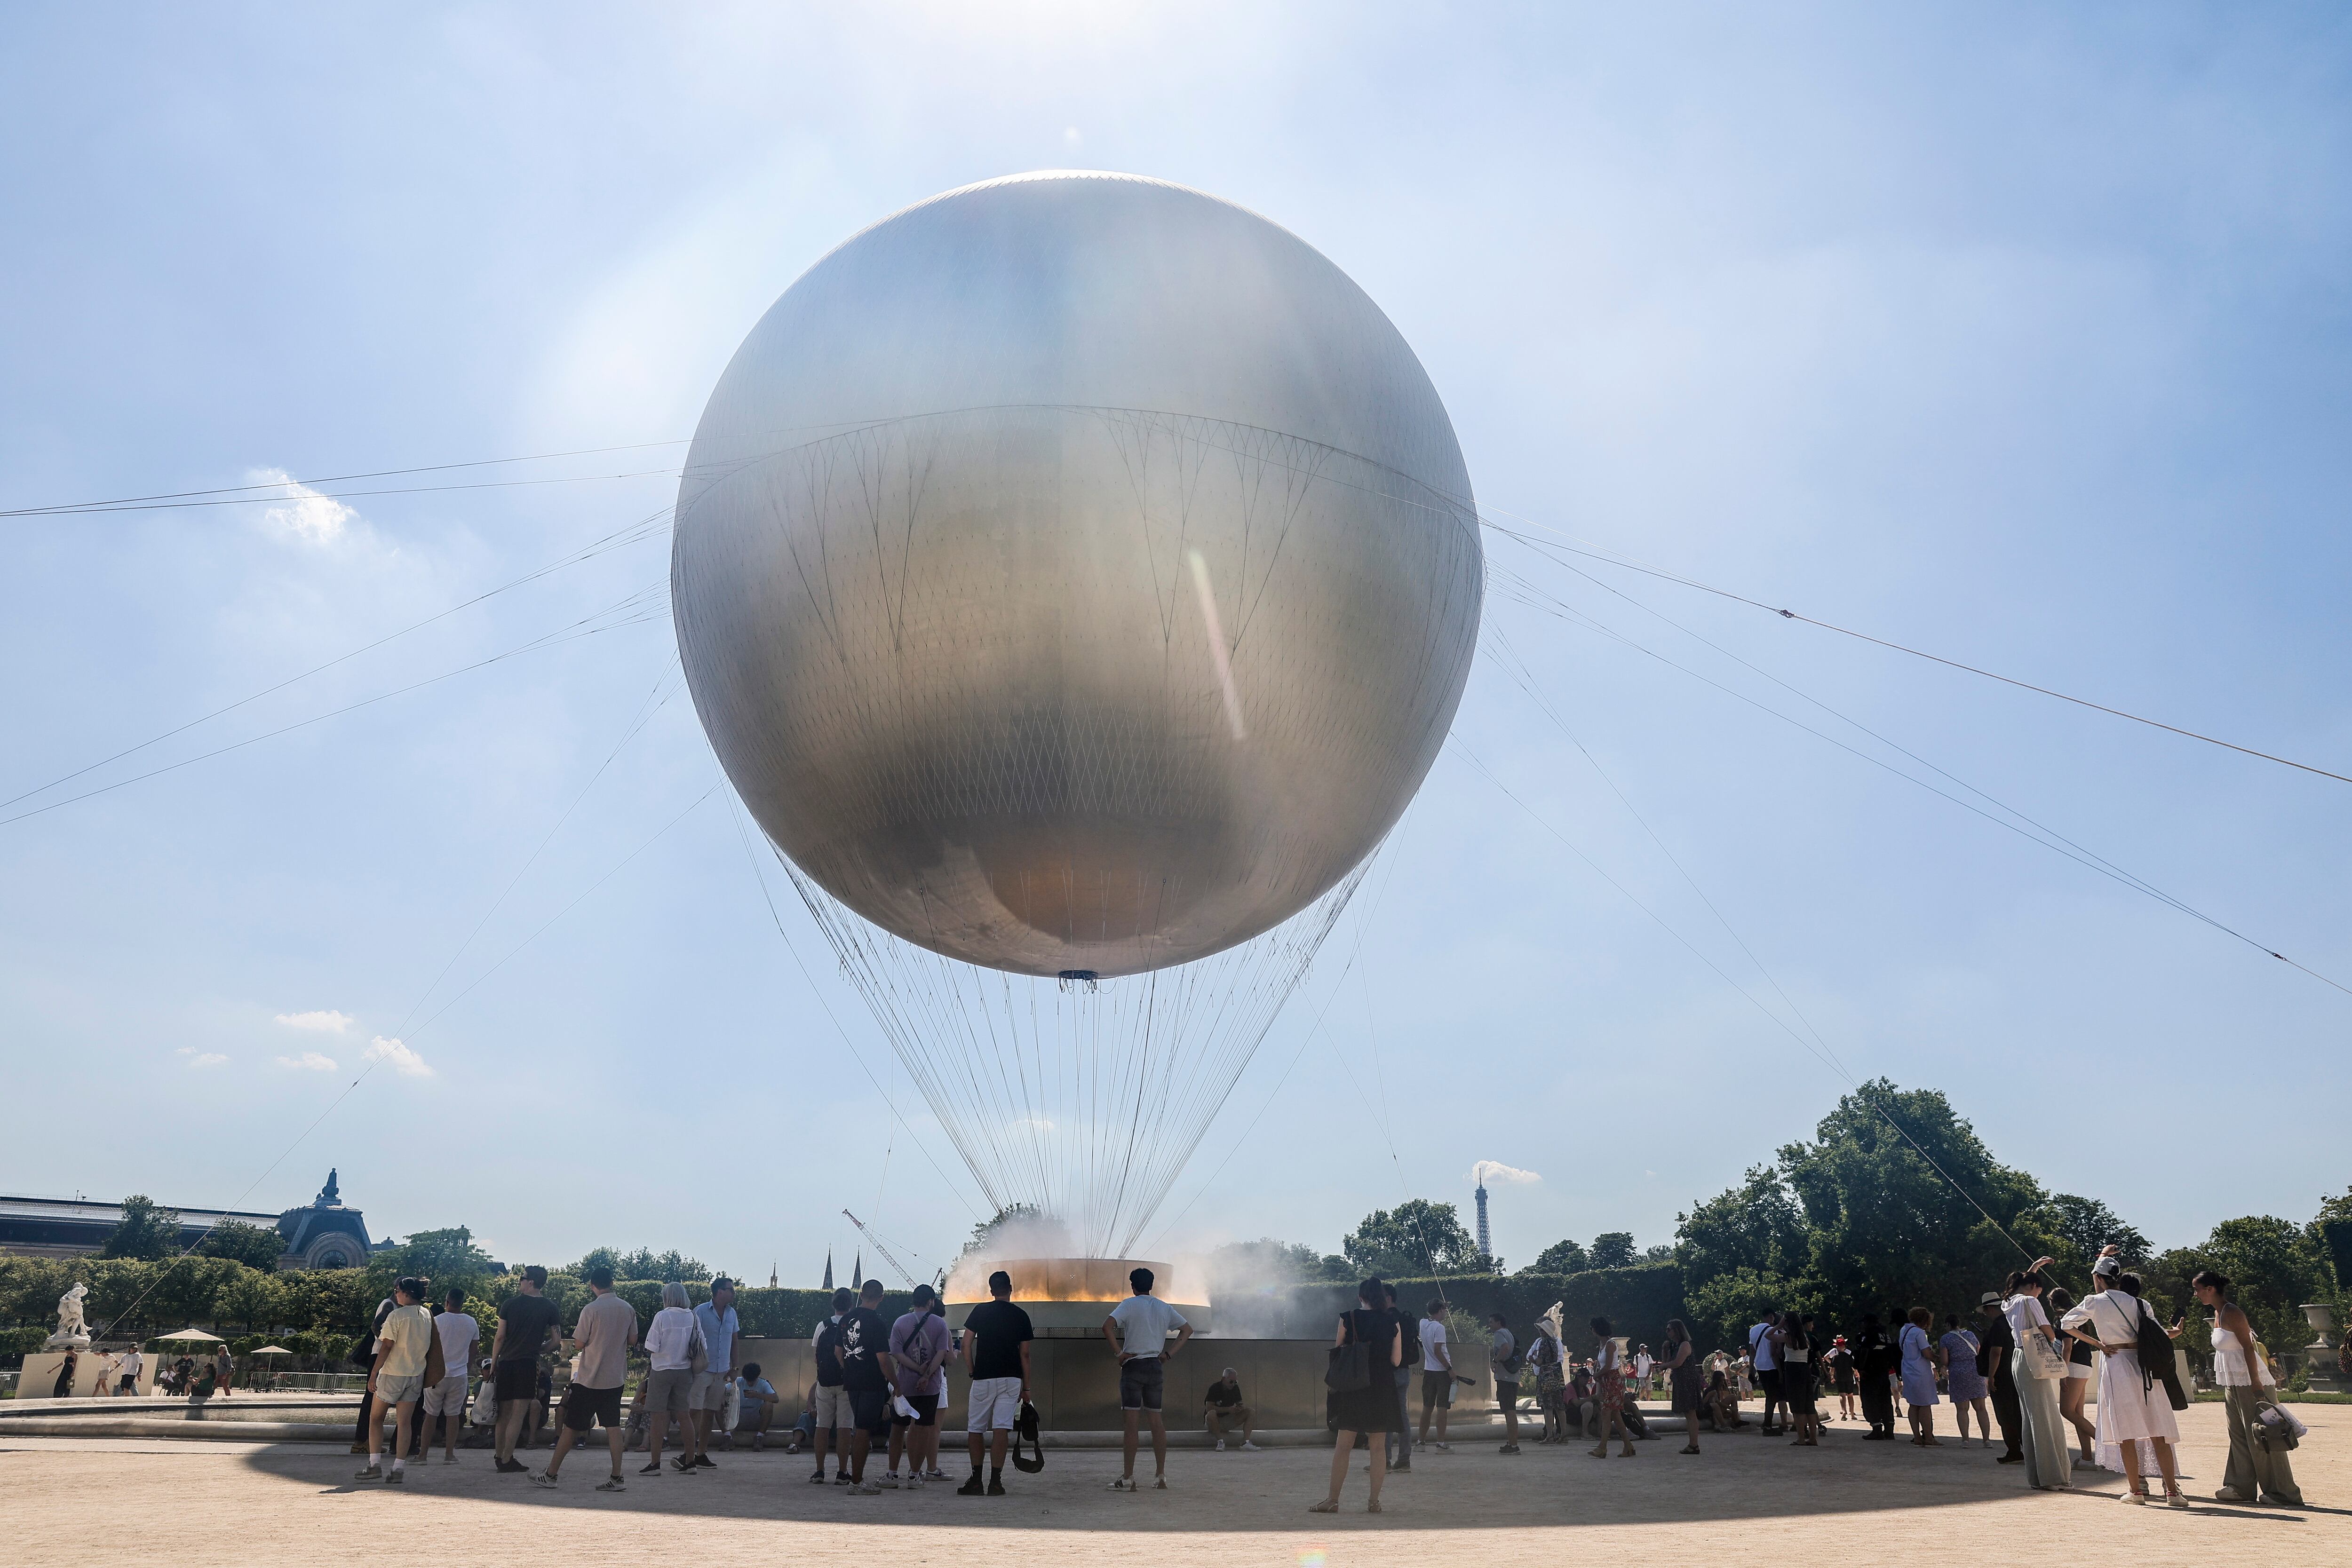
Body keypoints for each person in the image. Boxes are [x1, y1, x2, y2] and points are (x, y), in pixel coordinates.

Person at [2062, 1271, 2184, 1505]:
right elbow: (2158, 1333)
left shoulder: (2094, 1301)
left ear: (2098, 1278)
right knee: (2158, 1429)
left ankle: (2136, 1491)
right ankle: (2173, 1492)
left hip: (2116, 1361)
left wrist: (2098, 1344)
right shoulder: (2140, 1303)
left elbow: (2067, 1324)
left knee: (2125, 1432)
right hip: (2144, 1364)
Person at [2193, 1268, 2302, 1506]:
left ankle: (2283, 1493)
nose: (2196, 1294)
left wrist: (2256, 1385)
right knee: (2240, 1435)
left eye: (2197, 1289)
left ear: (2210, 1290)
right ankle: (2240, 1486)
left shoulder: (2233, 1312)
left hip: (2252, 1383)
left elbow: (2248, 1349)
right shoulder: (2218, 1312)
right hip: (2232, 1383)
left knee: (2266, 1434)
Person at [532, 1265, 637, 1491]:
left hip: (590, 1378)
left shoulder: (591, 1310)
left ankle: (551, 1474)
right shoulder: (627, 1309)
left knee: (570, 1428)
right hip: (615, 1378)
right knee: (612, 1428)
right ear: (612, 1282)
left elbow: (578, 1343)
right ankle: (617, 1477)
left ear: (592, 1286)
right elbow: (632, 1340)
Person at [1311, 1276, 1402, 1514]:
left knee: (1344, 1445)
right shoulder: (1393, 1322)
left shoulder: (1348, 1317)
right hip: (1382, 1386)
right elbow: (1396, 1360)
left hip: (1354, 1387)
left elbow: (1338, 1348)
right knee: (1378, 1448)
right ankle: (1374, 1502)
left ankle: (1333, 1500)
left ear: (1361, 1297)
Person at [1103, 1265, 1193, 1491]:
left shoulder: (1129, 1305)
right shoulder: (1163, 1307)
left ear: (1133, 1286)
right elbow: (1187, 1330)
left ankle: (1128, 1478)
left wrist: (1119, 1353)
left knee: (1131, 1424)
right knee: (1156, 1421)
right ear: (1151, 1286)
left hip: (1133, 1365)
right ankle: (1161, 1475)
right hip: (1155, 1364)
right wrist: (1168, 1355)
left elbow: (1107, 1326)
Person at [958, 1267, 1033, 1496]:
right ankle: (996, 1482)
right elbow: (1025, 1355)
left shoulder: (980, 1312)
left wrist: (972, 1370)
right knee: (1002, 1428)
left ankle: (976, 1480)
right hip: (1011, 1379)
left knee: (976, 1428)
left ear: (991, 1291)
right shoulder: (1021, 1315)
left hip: (984, 1377)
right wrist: (1027, 1387)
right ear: (1011, 1289)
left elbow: (966, 1345)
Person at [357, 1277, 438, 1484]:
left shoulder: (397, 1316)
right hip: (415, 1375)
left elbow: (386, 1346)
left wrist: (374, 1373)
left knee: (375, 1419)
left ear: (407, 1293)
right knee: (405, 1423)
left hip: (393, 1373)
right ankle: (398, 1468)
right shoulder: (427, 1315)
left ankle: (374, 1464)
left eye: (398, 1291)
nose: (396, 1294)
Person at [2002, 1267, 2071, 1491]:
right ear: (2033, 1287)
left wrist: (2034, 1268)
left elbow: (2017, 1285)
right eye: (2039, 1291)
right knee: (2045, 1417)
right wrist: (2053, 1339)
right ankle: (2053, 1476)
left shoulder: (2008, 1302)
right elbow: (2047, 1330)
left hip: (2019, 1357)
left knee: (2031, 1418)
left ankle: (2039, 1476)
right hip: (2035, 1356)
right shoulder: (2030, 1302)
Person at [489, 1266, 562, 1474]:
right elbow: (556, 1341)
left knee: (504, 1414)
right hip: (528, 1363)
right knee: (518, 1414)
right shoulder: (550, 1307)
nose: (519, 1282)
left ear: (530, 1282)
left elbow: (500, 1337)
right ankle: (507, 1458)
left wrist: (494, 1361)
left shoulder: (510, 1304)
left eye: (522, 1279)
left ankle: (498, 1454)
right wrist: (540, 1349)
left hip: (506, 1362)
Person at [885, 1283, 952, 1488]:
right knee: (923, 1429)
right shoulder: (940, 1325)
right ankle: (915, 1475)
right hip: (930, 1386)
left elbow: (896, 1353)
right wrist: (927, 1373)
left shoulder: (900, 1323)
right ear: (931, 1302)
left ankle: (892, 1474)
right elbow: (942, 1353)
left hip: (904, 1385)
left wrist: (915, 1369)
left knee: (897, 1429)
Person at [835, 1278, 898, 1494]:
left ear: (861, 1295)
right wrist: (895, 1384)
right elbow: (883, 1359)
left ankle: (856, 1478)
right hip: (872, 1383)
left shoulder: (845, 1320)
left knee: (859, 1429)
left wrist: (849, 1368)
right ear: (881, 1297)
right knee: (863, 1431)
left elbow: (838, 1352)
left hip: (851, 1382)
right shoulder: (878, 1323)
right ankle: (857, 1481)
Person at [638, 1281, 702, 1476]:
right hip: (685, 1370)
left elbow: (652, 1346)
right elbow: (701, 1343)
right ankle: (691, 1461)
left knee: (658, 1417)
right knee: (684, 1416)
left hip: (662, 1370)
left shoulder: (662, 1316)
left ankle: (655, 1464)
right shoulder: (693, 1316)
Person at [420, 1286, 478, 1464]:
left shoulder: (436, 1321)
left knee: (430, 1414)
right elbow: (473, 1351)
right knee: (453, 1416)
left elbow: (426, 1347)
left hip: (436, 1374)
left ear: (447, 1302)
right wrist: (466, 1368)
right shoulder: (471, 1322)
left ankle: (423, 1455)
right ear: (462, 1303)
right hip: (459, 1375)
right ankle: (449, 1455)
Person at [689, 1277, 740, 1470]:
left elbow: (735, 1341)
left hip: (721, 1371)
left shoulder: (732, 1313)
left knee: (710, 1412)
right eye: (730, 1290)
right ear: (719, 1292)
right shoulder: (700, 1311)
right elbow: (691, 1340)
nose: (733, 1293)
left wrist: (735, 1368)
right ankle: (688, 1453)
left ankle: (701, 1454)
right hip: (702, 1370)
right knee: (694, 1411)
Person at [2048, 1283, 2099, 1468]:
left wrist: (2063, 1374)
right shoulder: (2080, 1317)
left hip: (2074, 1367)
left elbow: (2067, 1348)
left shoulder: (2063, 1319)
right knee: (2078, 1414)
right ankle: (2087, 1458)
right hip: (2085, 1365)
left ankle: (2106, 1446)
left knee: (2067, 1411)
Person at [1975, 1290, 2024, 1465]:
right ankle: (2026, 1448)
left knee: (2005, 1415)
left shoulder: (1997, 1326)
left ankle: (2014, 1451)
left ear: (1990, 1308)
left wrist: (1991, 1376)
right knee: (2019, 1414)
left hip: (2002, 1376)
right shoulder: (2012, 1322)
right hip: (2016, 1373)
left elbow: (1996, 1353)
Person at [1586, 1318, 1637, 1459]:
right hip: (1608, 1380)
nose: (1591, 1330)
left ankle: (1603, 1447)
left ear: (1597, 1329)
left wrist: (1596, 1375)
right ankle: (1628, 1446)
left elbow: (1608, 1367)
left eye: (1592, 1328)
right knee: (1615, 1415)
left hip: (1612, 1380)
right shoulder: (1603, 1344)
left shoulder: (1610, 1344)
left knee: (1606, 1413)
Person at [1936, 1312, 1988, 1446]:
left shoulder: (1946, 1339)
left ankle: (1966, 1440)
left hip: (1958, 1373)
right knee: (1981, 1408)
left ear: (1948, 1325)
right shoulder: (1971, 1335)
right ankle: (1986, 1440)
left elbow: (1945, 1360)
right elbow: (1978, 1351)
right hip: (1976, 1372)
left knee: (1962, 1409)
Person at [1383, 1283, 1417, 1470]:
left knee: (1386, 1415)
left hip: (1389, 1371)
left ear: (1388, 1298)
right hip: (1404, 1370)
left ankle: (1384, 1459)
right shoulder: (1405, 1319)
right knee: (1402, 1415)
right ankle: (1404, 1458)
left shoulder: (1386, 1319)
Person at [1772, 1310, 1820, 1445]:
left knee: (1797, 1406)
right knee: (1809, 1406)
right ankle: (1813, 1438)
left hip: (1793, 1370)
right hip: (1805, 1369)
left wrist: (1778, 1325)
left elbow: (1768, 1336)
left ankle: (1800, 1438)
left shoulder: (1788, 1337)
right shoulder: (1804, 1336)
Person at [1416, 1297, 1455, 1451]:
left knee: (1427, 1407)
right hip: (1441, 1372)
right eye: (1444, 1310)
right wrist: (1450, 1369)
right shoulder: (1439, 1328)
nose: (1446, 1312)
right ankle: (1440, 1443)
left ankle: (1420, 1442)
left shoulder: (1423, 1323)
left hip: (1429, 1371)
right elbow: (1438, 1351)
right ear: (1440, 1310)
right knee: (1442, 1408)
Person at [1658, 1318, 1702, 1455]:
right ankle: (1692, 1444)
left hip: (1687, 1380)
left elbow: (1677, 1363)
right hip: (1680, 1380)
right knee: (1688, 1413)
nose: (1667, 1332)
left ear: (1678, 1330)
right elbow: (1668, 1361)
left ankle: (1694, 1444)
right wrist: (1665, 1349)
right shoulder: (1676, 1346)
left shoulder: (1685, 1345)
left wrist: (1664, 1366)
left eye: (1669, 1329)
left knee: (1691, 1413)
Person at [1897, 1306, 1940, 1445]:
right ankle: (1928, 1437)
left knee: (1913, 1404)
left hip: (1908, 1369)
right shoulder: (1919, 1333)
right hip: (1921, 1371)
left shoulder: (1904, 1330)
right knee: (1925, 1404)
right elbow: (1926, 1353)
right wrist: (1939, 1358)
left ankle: (1917, 1436)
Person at [1852, 1313, 1895, 1438]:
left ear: (1868, 1323)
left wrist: (1861, 1368)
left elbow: (1864, 1351)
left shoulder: (1868, 1336)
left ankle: (1877, 1429)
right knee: (1886, 1400)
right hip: (1884, 1372)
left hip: (1870, 1373)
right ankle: (1889, 1430)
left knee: (1871, 1400)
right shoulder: (1886, 1336)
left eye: (1865, 1323)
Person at [1526, 1314, 1565, 1443]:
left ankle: (1550, 1435)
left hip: (1546, 1376)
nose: (1540, 1331)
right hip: (1557, 1374)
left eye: (1542, 1329)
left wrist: (1533, 1359)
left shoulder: (1543, 1343)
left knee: (1548, 1407)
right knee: (1559, 1406)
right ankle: (1563, 1434)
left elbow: (1539, 1361)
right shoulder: (1555, 1342)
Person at [1487, 1312, 1521, 1453]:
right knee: (1510, 1410)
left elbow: (1505, 1348)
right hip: (1512, 1377)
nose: (1489, 1325)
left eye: (1491, 1322)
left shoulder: (1499, 1334)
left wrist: (1495, 1361)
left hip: (1505, 1378)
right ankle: (1512, 1442)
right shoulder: (1509, 1333)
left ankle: (1513, 1445)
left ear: (1499, 1323)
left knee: (1509, 1411)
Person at [1203, 1367, 1257, 1449]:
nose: (1233, 1384)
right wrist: (1228, 1409)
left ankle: (1245, 1443)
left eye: (1235, 1382)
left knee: (1251, 1412)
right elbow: (1209, 1408)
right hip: (1214, 1422)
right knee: (1211, 1414)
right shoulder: (1215, 1388)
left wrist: (1239, 1409)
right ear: (1224, 1379)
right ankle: (1220, 1442)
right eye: (1231, 1382)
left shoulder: (1235, 1388)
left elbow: (1241, 1404)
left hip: (1228, 1420)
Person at [1748, 1311, 1783, 1435]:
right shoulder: (1774, 1330)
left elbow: (1752, 1352)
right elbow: (1774, 1353)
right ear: (1771, 1316)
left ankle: (1767, 1423)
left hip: (1760, 1366)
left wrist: (1751, 1368)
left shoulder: (1753, 1330)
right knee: (1772, 1397)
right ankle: (1768, 1425)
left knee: (1769, 1394)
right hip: (1771, 1366)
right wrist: (1780, 1371)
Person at [734, 1362, 779, 1449]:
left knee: (769, 1405)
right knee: (719, 1404)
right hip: (738, 1418)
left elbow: (776, 1399)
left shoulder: (763, 1383)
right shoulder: (737, 1382)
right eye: (748, 1381)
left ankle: (760, 1437)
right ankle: (727, 1436)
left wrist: (757, 1395)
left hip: (756, 1418)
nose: (750, 1383)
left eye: (752, 1381)